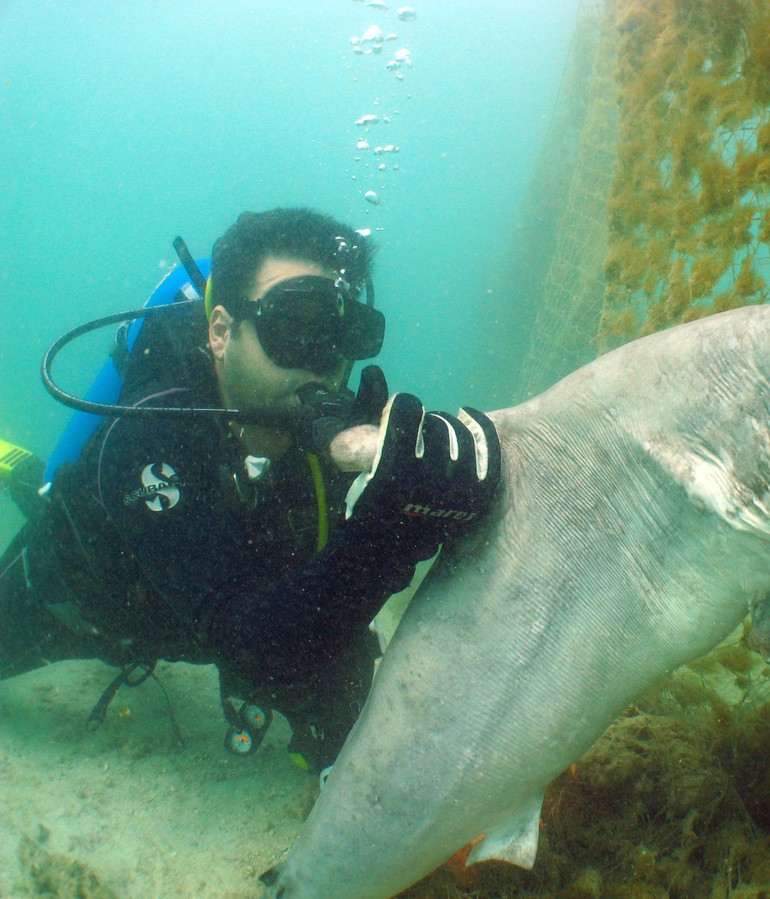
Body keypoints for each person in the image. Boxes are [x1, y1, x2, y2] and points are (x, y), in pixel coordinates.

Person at [0, 207, 501, 772]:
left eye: (338, 336)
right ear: (220, 332)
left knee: (345, 691)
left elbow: (307, 616)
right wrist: (387, 534)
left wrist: (428, 496)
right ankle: (15, 464)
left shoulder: (327, 428)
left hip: (237, 605)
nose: (323, 367)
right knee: (40, 514)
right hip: (91, 600)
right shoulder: (146, 436)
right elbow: (248, 643)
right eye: (294, 327)